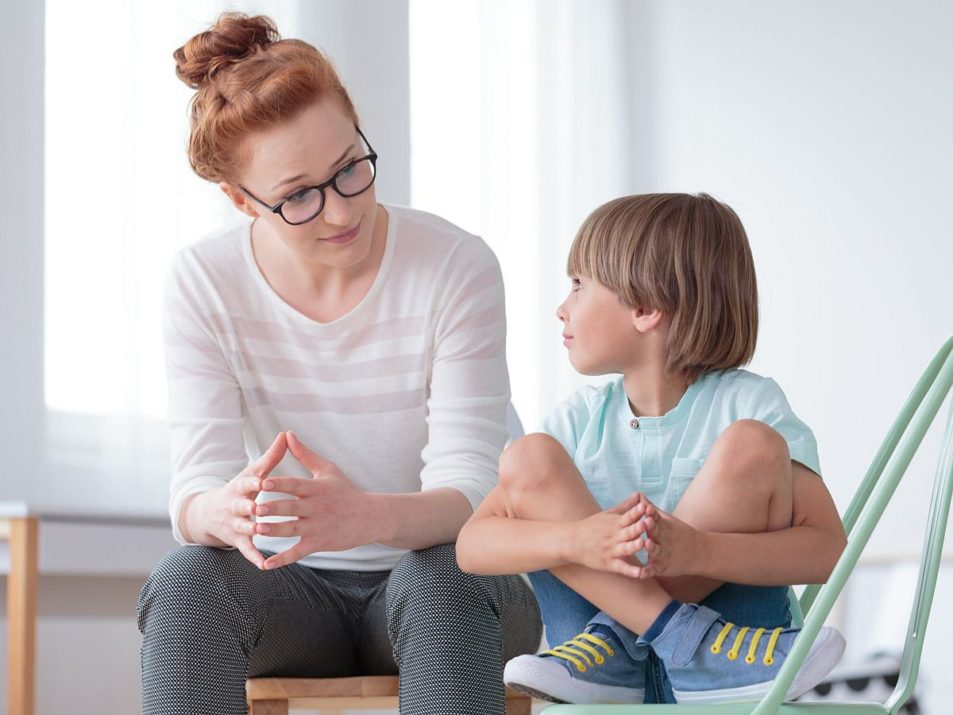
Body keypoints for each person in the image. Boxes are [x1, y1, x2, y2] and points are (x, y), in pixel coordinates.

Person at [136, 13, 541, 715]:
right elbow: (192, 492)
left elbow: (469, 495)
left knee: (442, 574)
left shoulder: (454, 265)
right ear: (239, 201)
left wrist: (365, 517)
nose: (339, 211)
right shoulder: (204, 281)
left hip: (447, 588)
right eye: (297, 196)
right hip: (292, 597)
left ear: (359, 132)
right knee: (187, 579)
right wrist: (221, 511)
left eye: (350, 167)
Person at [456, 193, 848, 705]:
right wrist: (578, 540)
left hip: (739, 670)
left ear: (645, 308)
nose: (562, 306)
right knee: (528, 456)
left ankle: (636, 641)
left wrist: (701, 549)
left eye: (578, 285)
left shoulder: (749, 407)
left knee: (751, 444)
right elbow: (472, 546)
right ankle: (666, 642)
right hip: (601, 674)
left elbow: (827, 552)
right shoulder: (576, 423)